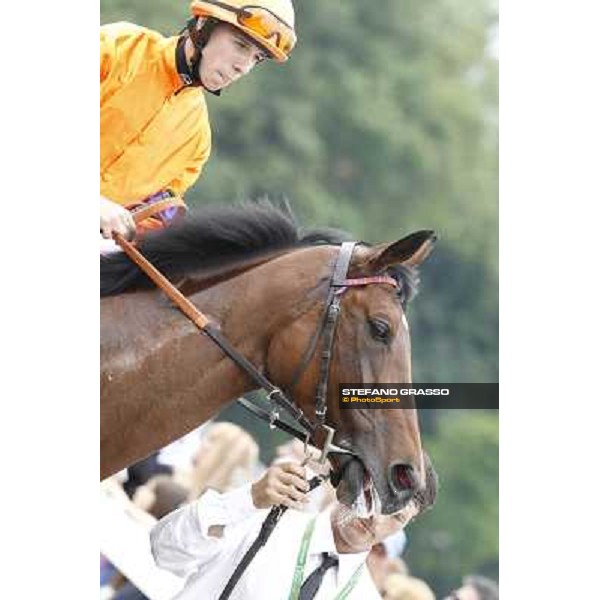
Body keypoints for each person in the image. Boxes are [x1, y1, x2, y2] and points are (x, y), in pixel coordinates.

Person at [100, 0, 297, 240]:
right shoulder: (118, 48)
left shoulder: (197, 140)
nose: (244, 67)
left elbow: (152, 222)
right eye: (240, 45)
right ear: (204, 24)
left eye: (256, 58)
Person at [149, 455, 438, 599]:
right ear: (352, 482)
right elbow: (165, 551)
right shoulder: (261, 517)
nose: (376, 517)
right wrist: (247, 499)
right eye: (372, 497)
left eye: (396, 517)